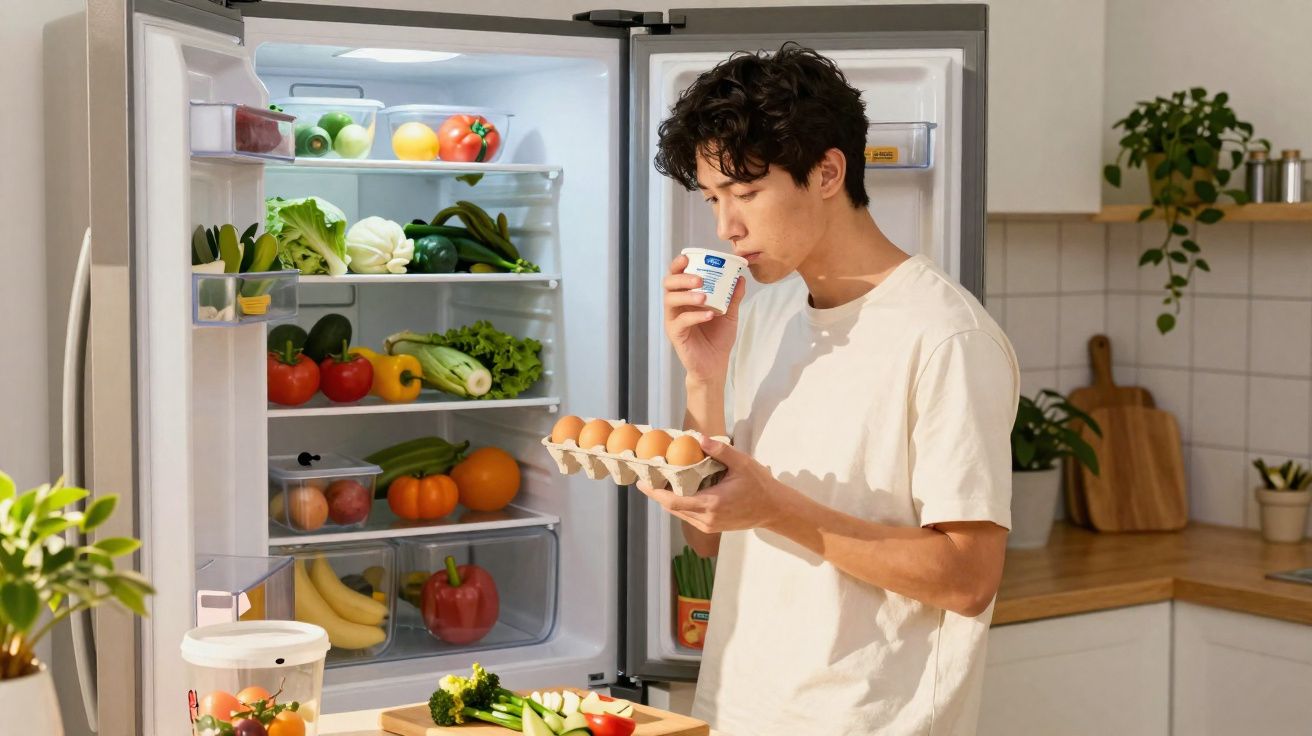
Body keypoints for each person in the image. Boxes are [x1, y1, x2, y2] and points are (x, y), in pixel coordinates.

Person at [640, 43, 1020, 735]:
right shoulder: (765, 313)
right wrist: (703, 375)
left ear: (827, 172)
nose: (726, 227)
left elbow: (969, 579)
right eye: (714, 198)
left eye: (747, 192)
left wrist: (778, 508)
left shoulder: (945, 338)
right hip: (739, 709)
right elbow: (712, 542)